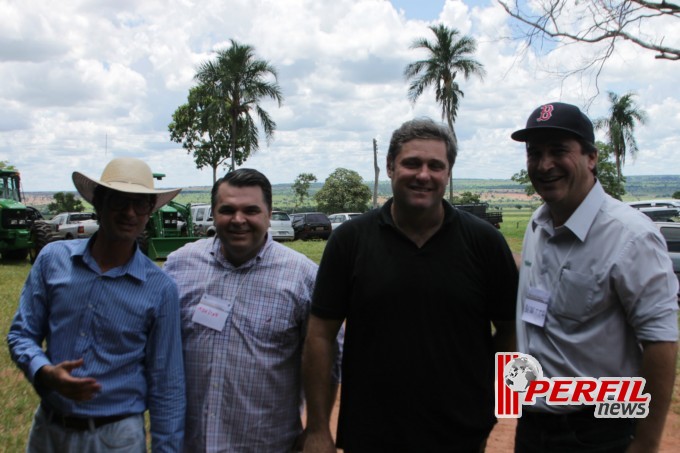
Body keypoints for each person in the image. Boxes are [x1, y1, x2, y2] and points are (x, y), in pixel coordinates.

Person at [302, 118, 519, 452]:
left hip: (460, 434)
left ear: (448, 174)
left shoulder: (484, 242)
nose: (423, 175)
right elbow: (320, 335)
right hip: (371, 434)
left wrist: (490, 402)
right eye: (412, 163)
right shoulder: (350, 241)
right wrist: (317, 429)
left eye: (436, 166)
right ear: (390, 167)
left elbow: (510, 330)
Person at [511, 102, 679, 453]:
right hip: (533, 423)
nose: (544, 165)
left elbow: (661, 343)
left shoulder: (631, 237)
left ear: (591, 157)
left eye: (558, 150)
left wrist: (646, 443)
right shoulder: (538, 225)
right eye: (534, 153)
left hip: (597, 431)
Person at [7, 157, 186, 452]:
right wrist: (44, 372)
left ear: (149, 212)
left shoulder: (160, 288)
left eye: (140, 204)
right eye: (118, 201)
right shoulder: (53, 260)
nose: (129, 213)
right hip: (48, 431)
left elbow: (167, 384)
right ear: (99, 204)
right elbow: (20, 334)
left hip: (116, 438)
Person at [164, 168, 341, 452]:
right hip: (189, 442)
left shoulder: (304, 277)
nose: (238, 220)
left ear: (269, 214)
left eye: (251, 210)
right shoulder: (179, 266)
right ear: (213, 213)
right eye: (227, 210)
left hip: (267, 444)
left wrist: (318, 429)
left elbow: (330, 359)